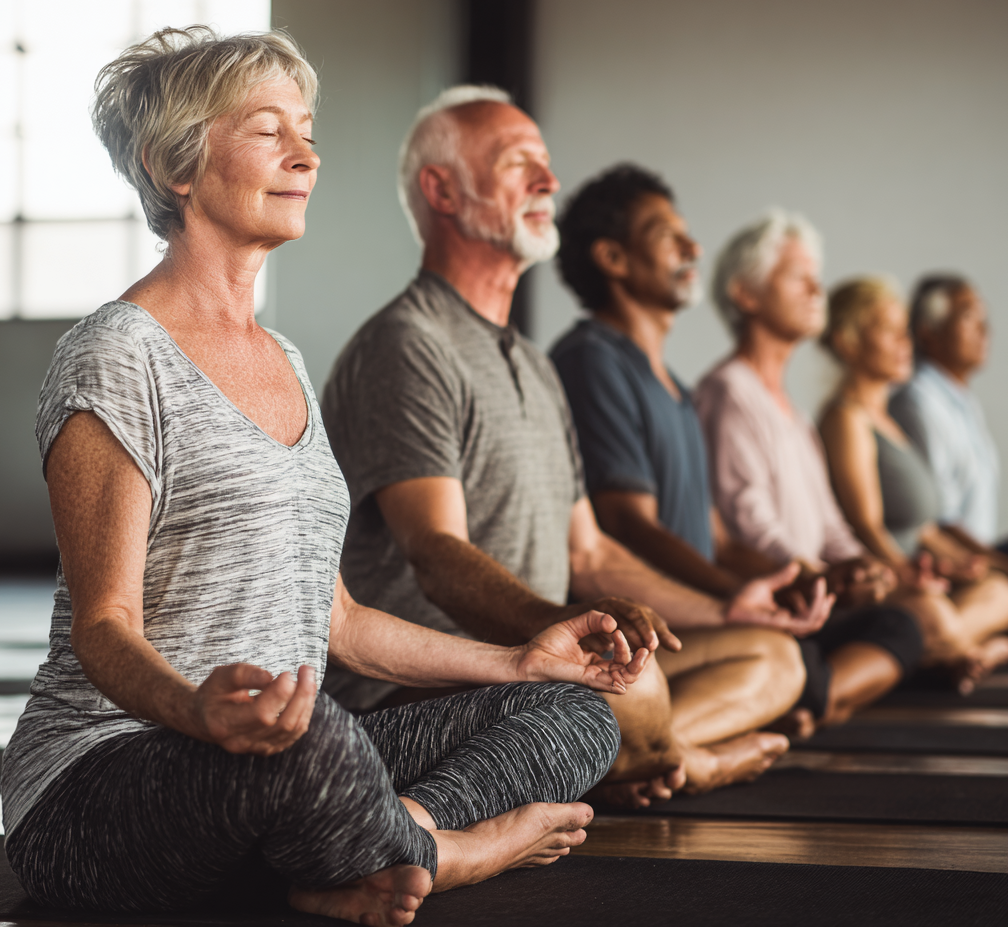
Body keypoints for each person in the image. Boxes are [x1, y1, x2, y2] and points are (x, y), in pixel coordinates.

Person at [0, 28, 639, 927]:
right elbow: (105, 628)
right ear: (174, 166)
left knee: (571, 714)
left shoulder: (287, 361)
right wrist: (198, 711)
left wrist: (515, 659)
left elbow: (337, 623)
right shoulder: (115, 355)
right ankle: (448, 853)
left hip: (280, 752)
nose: (306, 155)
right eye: (269, 131)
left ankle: (377, 843)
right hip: (106, 779)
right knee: (314, 746)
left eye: (307, 131)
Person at [322, 88, 832, 805]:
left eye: (547, 164)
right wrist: (556, 628)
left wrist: (730, 609)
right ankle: (675, 757)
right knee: (638, 691)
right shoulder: (407, 346)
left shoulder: (534, 365)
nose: (549, 182)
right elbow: (435, 555)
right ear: (441, 190)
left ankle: (639, 755)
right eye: (517, 163)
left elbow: (590, 555)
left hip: (542, 664)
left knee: (775, 656)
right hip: (418, 694)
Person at [552, 167, 920, 734]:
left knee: (889, 626)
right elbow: (628, 523)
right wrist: (733, 599)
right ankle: (700, 736)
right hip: (655, 625)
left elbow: (719, 536)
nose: (693, 246)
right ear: (614, 259)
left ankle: (784, 708)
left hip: (706, 610)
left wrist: (798, 581)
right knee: (793, 658)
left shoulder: (676, 387)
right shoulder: (593, 359)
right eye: (666, 234)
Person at [818, 277, 1008, 687]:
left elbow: (924, 527)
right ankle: (978, 651)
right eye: (890, 331)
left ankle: (970, 650)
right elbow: (864, 527)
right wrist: (907, 576)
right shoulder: (847, 419)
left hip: (919, 576)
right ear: (849, 342)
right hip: (890, 585)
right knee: (946, 611)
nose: (906, 343)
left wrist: (967, 563)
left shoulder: (888, 420)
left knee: (997, 588)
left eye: (905, 330)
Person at [890, 276, 1006, 560]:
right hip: (951, 561)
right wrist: (997, 565)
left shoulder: (963, 402)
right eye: (968, 317)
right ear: (928, 331)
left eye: (984, 318)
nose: (984, 330)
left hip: (980, 551)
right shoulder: (918, 402)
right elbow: (938, 517)